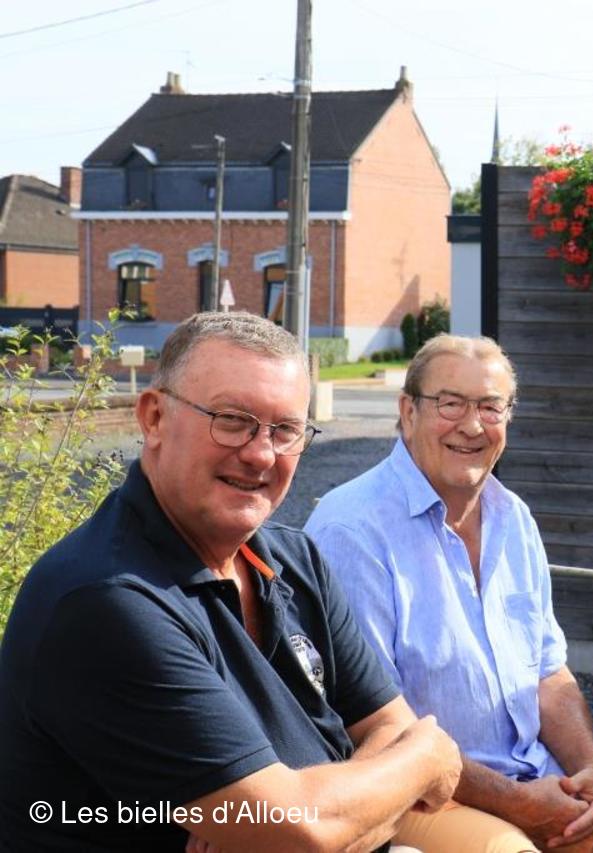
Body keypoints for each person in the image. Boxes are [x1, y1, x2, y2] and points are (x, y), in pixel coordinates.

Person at [0, 312, 462, 851]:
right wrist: (426, 757)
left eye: (285, 430)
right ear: (154, 418)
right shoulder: (107, 600)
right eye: (232, 420)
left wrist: (323, 818)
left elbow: (385, 735)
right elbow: (302, 830)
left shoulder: (294, 560)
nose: (261, 453)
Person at [304, 334, 593, 853]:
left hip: (530, 766)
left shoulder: (513, 516)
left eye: (490, 407)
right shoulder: (352, 529)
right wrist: (515, 802)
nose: (472, 425)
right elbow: (377, 723)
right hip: (415, 788)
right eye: (451, 403)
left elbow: (548, 673)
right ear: (408, 412)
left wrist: (590, 769)